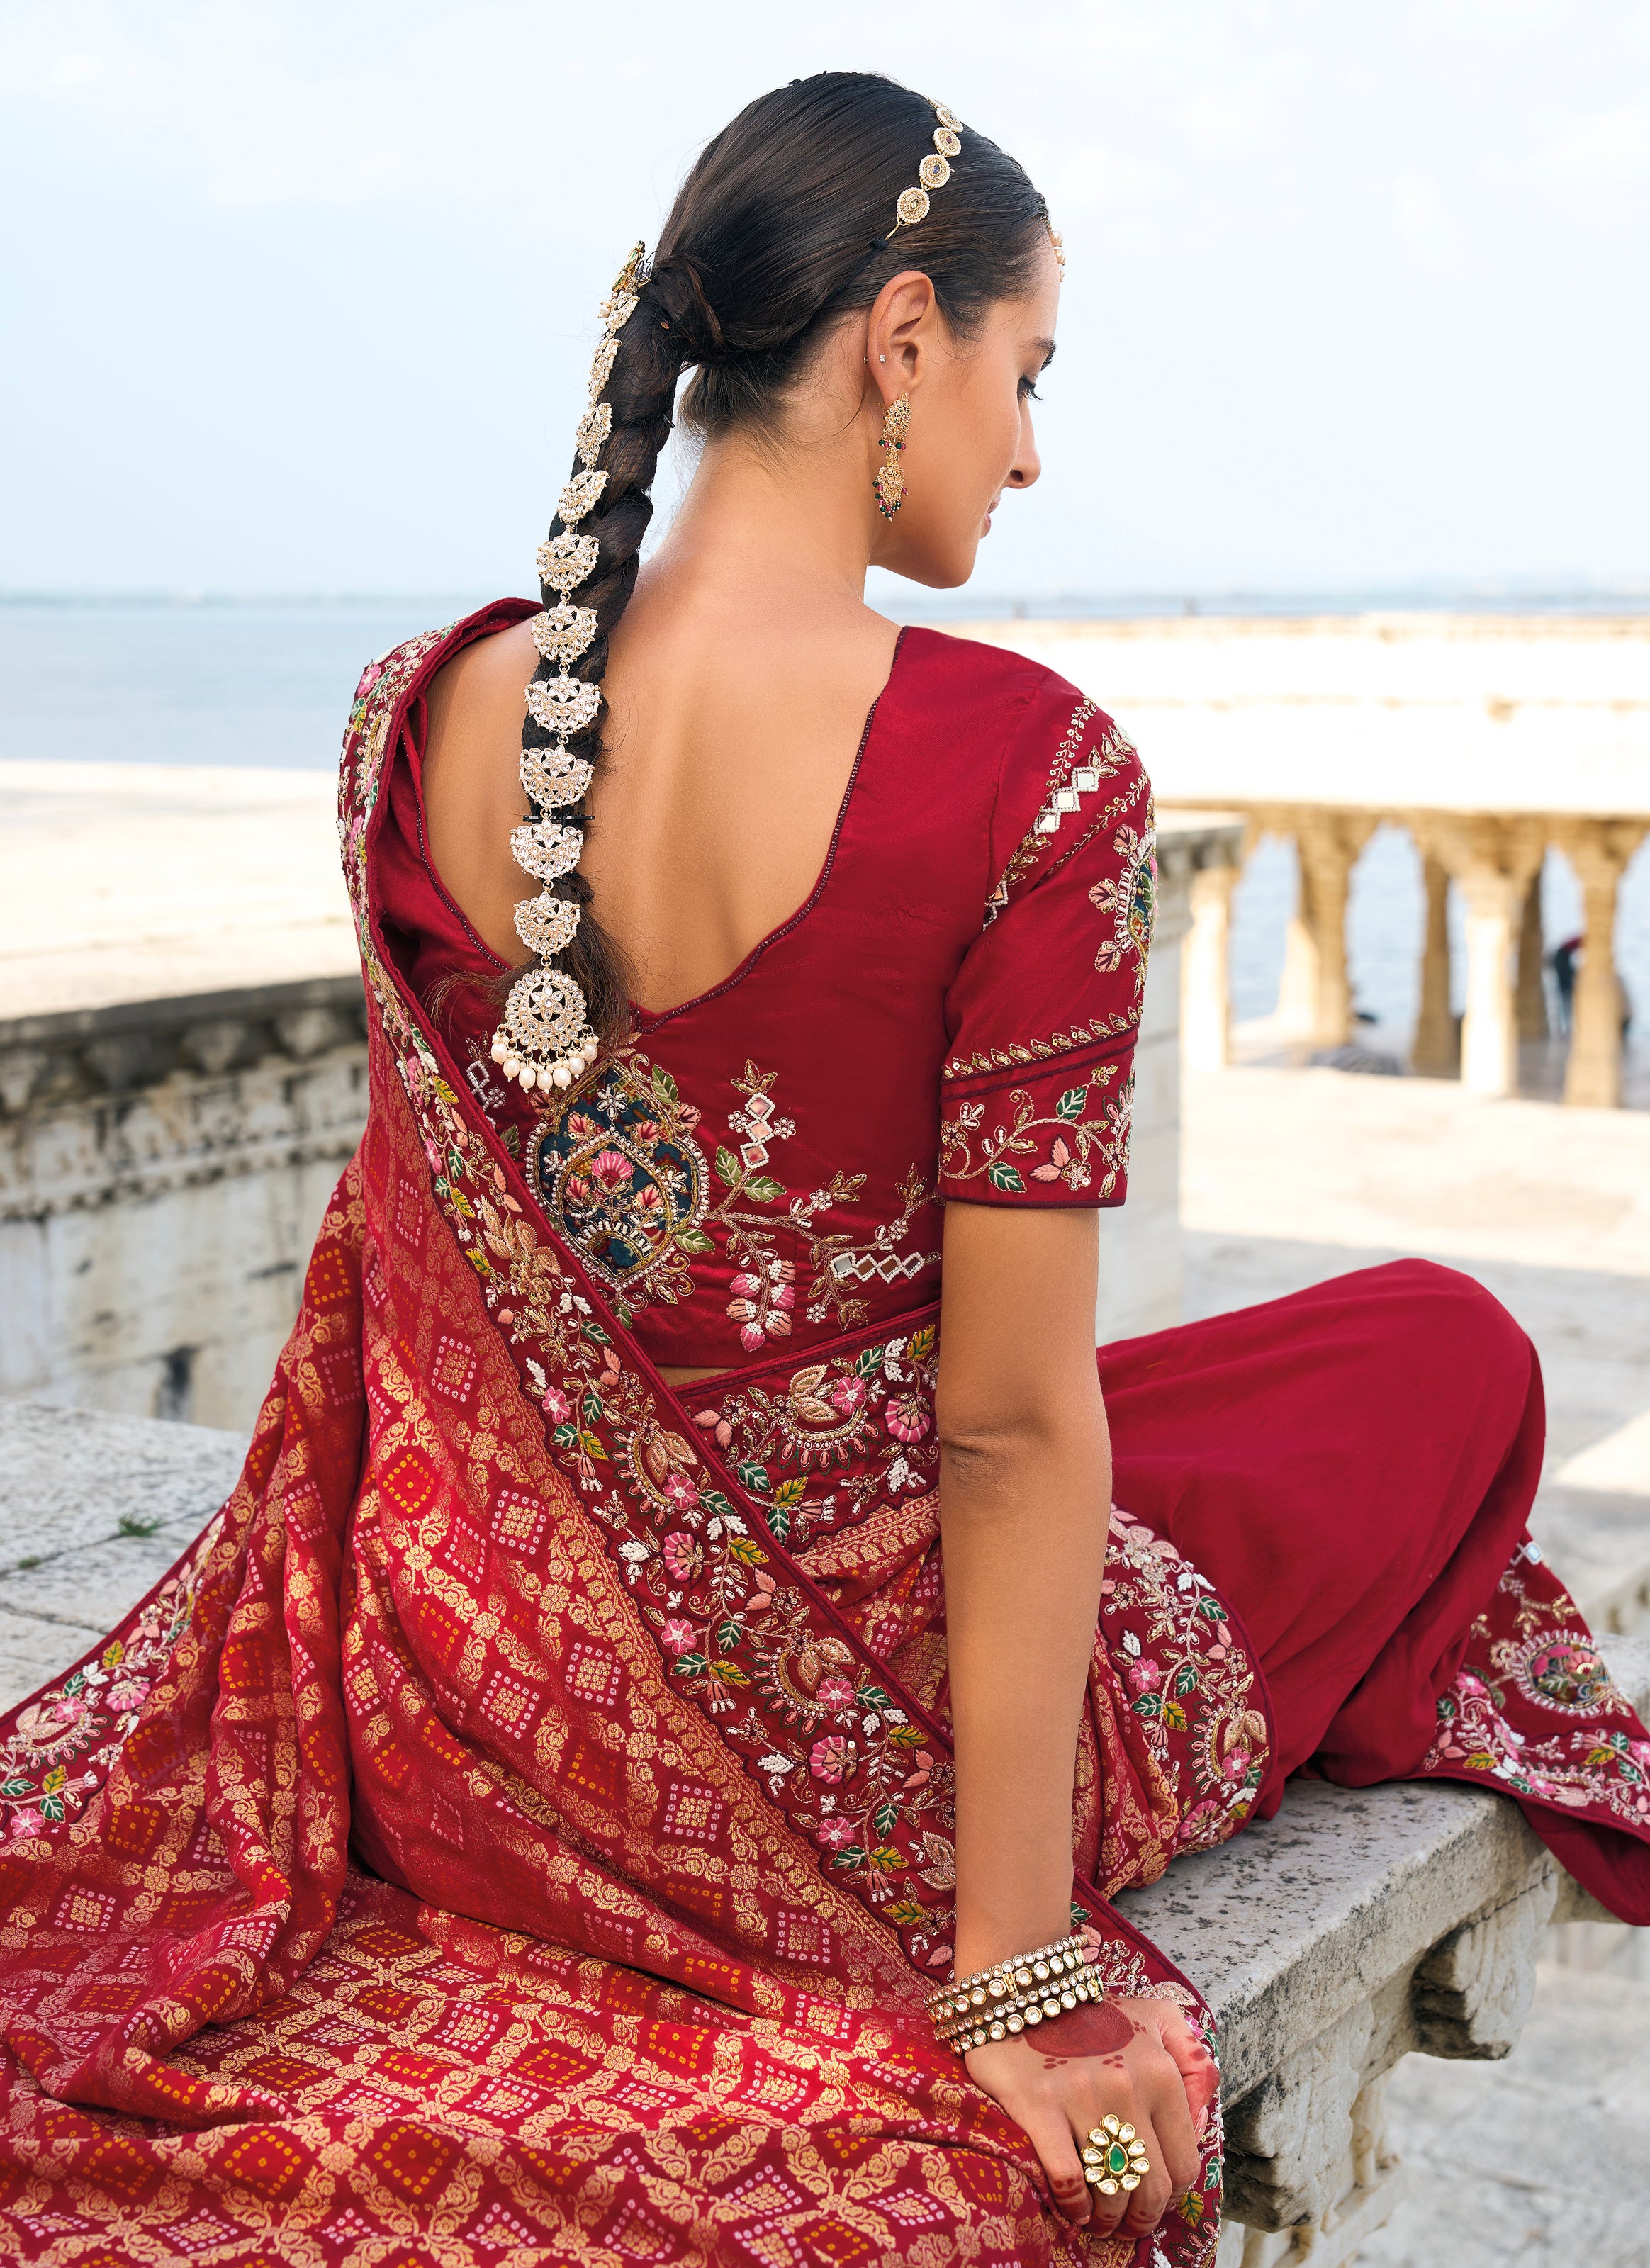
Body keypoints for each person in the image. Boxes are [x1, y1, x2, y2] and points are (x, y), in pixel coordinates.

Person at [2, 72, 1647, 2268]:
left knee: (1209, 1400)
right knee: (1443, 1355)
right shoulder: (1031, 777)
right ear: (900, 342)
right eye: (1027, 369)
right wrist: (1017, 1972)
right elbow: (998, 1420)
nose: (1034, 446)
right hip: (839, 1776)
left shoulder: (417, 712)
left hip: (458, 1731)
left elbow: (440, 1311)